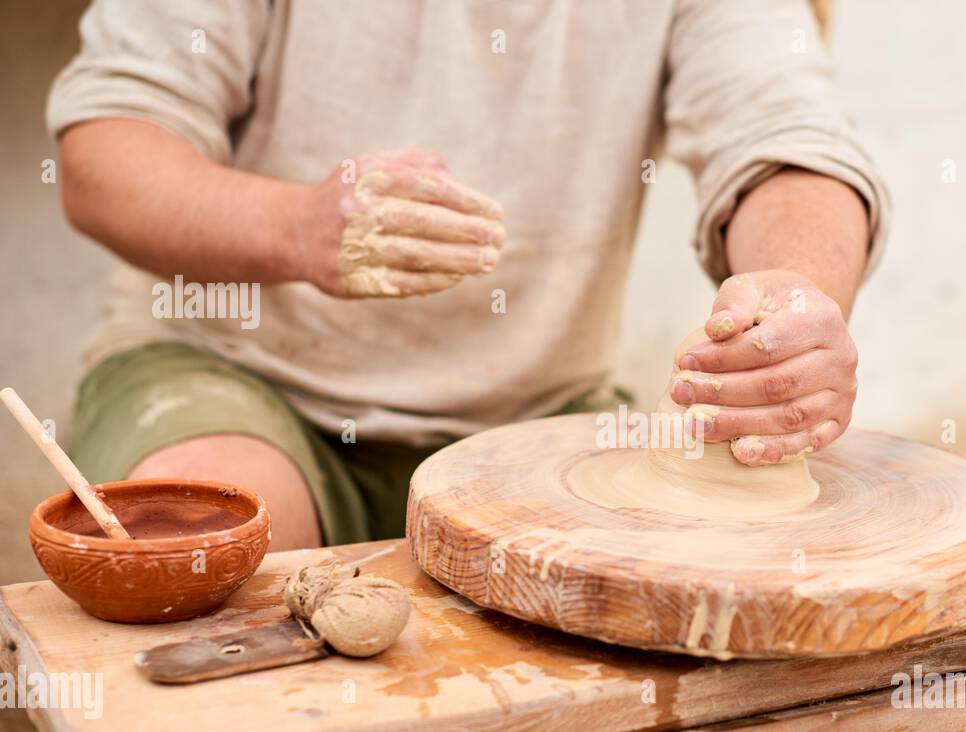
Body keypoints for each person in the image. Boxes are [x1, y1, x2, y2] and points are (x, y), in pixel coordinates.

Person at [48, 0, 888, 550]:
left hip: (532, 410)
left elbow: (791, 143)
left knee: (653, 605)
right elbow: (105, 152)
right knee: (212, 548)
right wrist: (291, 228)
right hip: (235, 372)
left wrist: (795, 299)